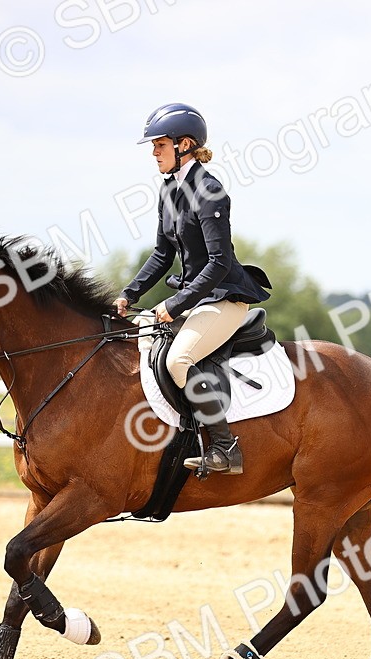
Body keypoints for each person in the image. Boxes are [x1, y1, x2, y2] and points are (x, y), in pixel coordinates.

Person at [115, 103, 272, 475]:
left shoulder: (209, 191)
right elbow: (162, 253)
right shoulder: (169, 191)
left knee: (178, 360)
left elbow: (218, 264)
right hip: (195, 297)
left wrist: (175, 304)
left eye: (159, 145)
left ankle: (224, 447)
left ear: (184, 144)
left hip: (224, 297)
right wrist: (129, 294)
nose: (154, 153)